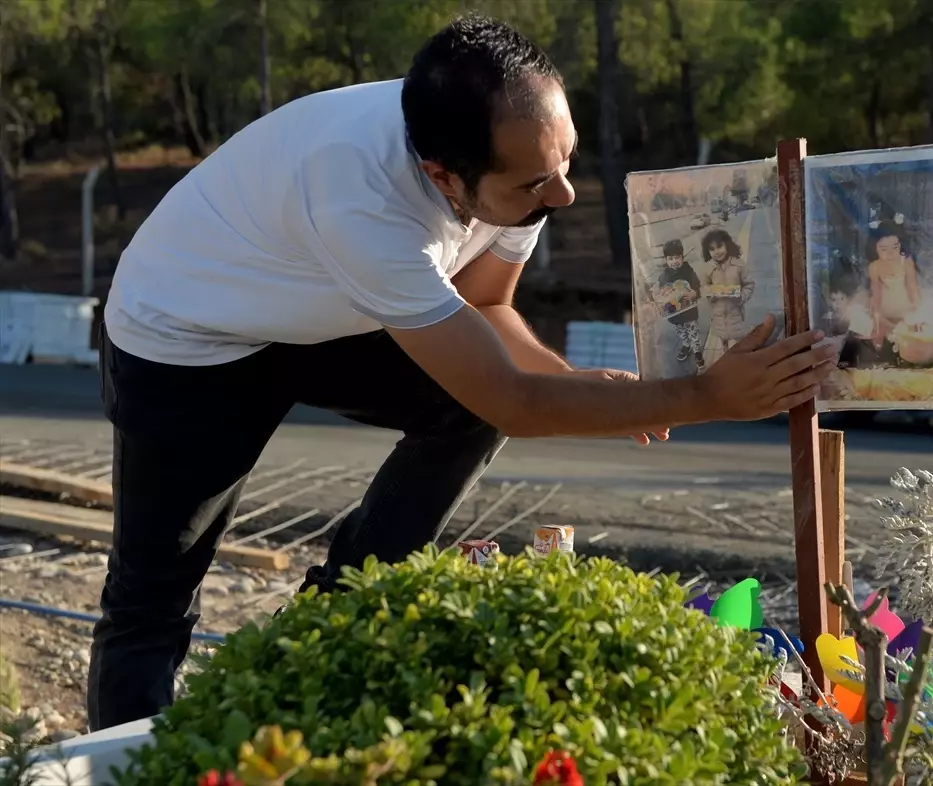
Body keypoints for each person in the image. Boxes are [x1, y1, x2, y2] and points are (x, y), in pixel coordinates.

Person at [87, 14, 837, 731]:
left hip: (324, 303)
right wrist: (707, 396)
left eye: (566, 160)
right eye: (535, 183)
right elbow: (509, 398)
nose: (564, 194)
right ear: (442, 176)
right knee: (152, 599)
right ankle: (128, 757)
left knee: (463, 402)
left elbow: (487, 308)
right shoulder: (361, 196)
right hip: (191, 335)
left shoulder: (513, 159)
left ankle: (336, 611)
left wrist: (577, 382)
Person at [700, 228, 755, 361]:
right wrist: (710, 293)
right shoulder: (707, 268)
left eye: (719, 246)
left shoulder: (738, 265)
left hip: (736, 313)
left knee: (739, 341)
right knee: (723, 339)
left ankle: (741, 358)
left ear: (727, 245)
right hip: (718, 315)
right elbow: (703, 287)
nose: (717, 252)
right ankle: (726, 355)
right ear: (708, 252)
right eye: (712, 249)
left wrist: (741, 296)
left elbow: (749, 285)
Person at [655, 239, 705, 372]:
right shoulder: (664, 276)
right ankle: (686, 345)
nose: (674, 261)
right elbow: (662, 292)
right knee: (681, 331)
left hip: (689, 310)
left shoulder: (688, 271)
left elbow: (696, 285)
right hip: (675, 313)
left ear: (682, 257)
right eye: (670, 258)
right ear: (666, 260)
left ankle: (697, 350)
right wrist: (662, 298)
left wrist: (695, 293)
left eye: (677, 257)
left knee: (692, 330)